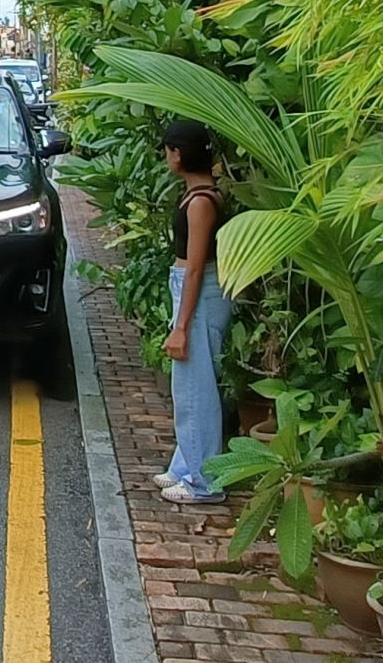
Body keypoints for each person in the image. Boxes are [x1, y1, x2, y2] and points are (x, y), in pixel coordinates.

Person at [154, 119, 233, 505]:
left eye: (169, 149)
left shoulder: (201, 201)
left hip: (198, 292)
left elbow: (198, 266)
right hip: (189, 288)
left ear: (179, 153)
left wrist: (181, 326)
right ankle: (184, 465)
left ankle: (205, 482)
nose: (167, 157)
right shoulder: (197, 194)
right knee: (187, 385)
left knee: (197, 388)